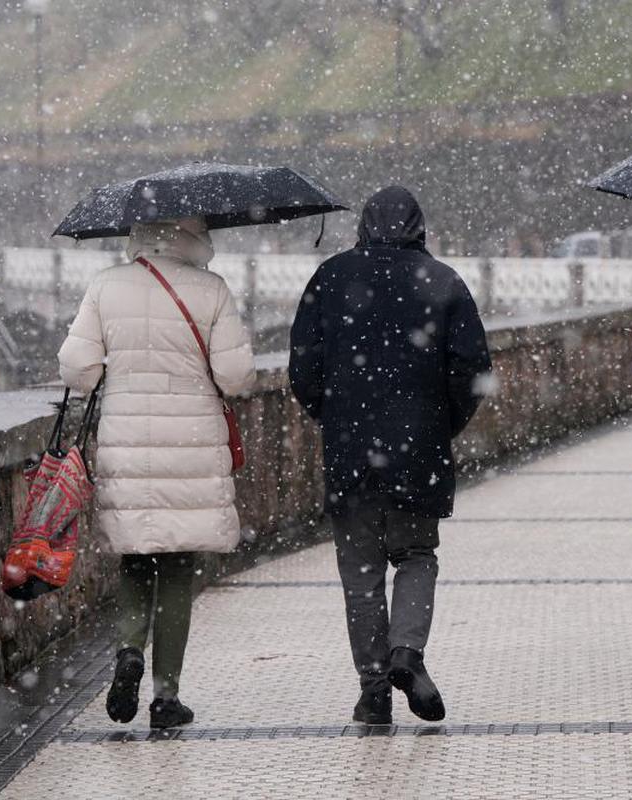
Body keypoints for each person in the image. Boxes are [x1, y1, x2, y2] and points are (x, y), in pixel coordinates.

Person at [289, 186, 492, 725]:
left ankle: (373, 691)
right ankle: (407, 653)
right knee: (417, 557)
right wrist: (442, 423)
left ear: (363, 226)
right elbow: (472, 371)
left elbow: (303, 371)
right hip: (419, 448)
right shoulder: (444, 282)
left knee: (360, 575)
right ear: (420, 228)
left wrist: (333, 417)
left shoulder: (330, 278)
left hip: (350, 450)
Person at [58, 216, 256, 728]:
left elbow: (79, 370)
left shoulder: (105, 286)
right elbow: (235, 377)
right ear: (195, 236)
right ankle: (166, 697)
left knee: (135, 558)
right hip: (190, 444)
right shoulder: (212, 290)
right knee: (176, 568)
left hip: (127, 443)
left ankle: (128, 650)